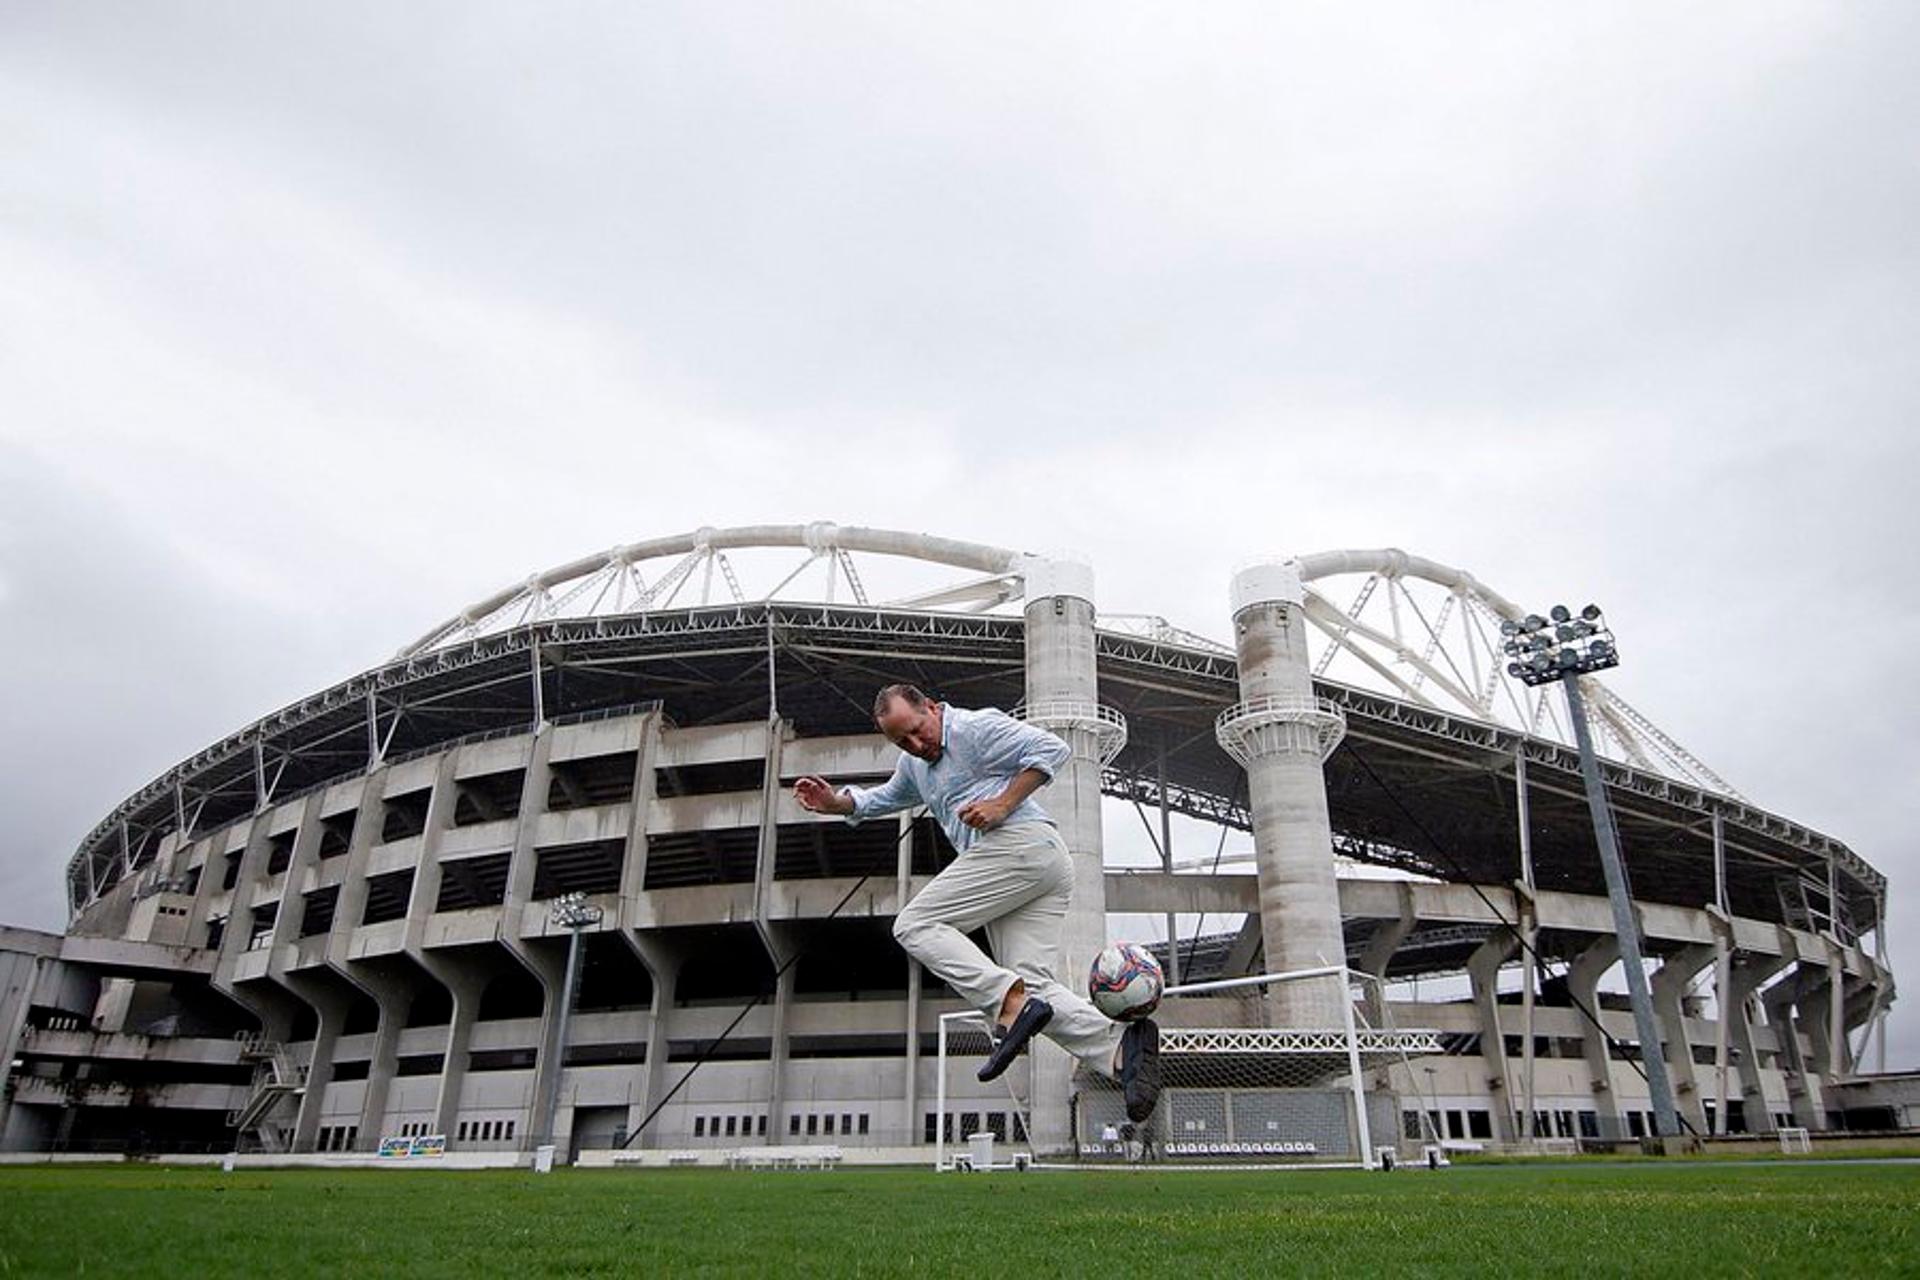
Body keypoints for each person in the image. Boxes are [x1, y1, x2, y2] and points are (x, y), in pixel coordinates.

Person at [792, 683, 1161, 1122]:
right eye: (900, 741)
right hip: (1032, 870)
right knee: (1034, 986)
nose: (914, 745)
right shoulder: (914, 764)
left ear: (931, 707)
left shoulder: (972, 728)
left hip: (1020, 846)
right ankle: (1121, 1050)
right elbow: (884, 798)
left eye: (916, 730)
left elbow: (1053, 749)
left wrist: (1002, 804)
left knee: (915, 925)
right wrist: (836, 802)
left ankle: (1009, 1002)